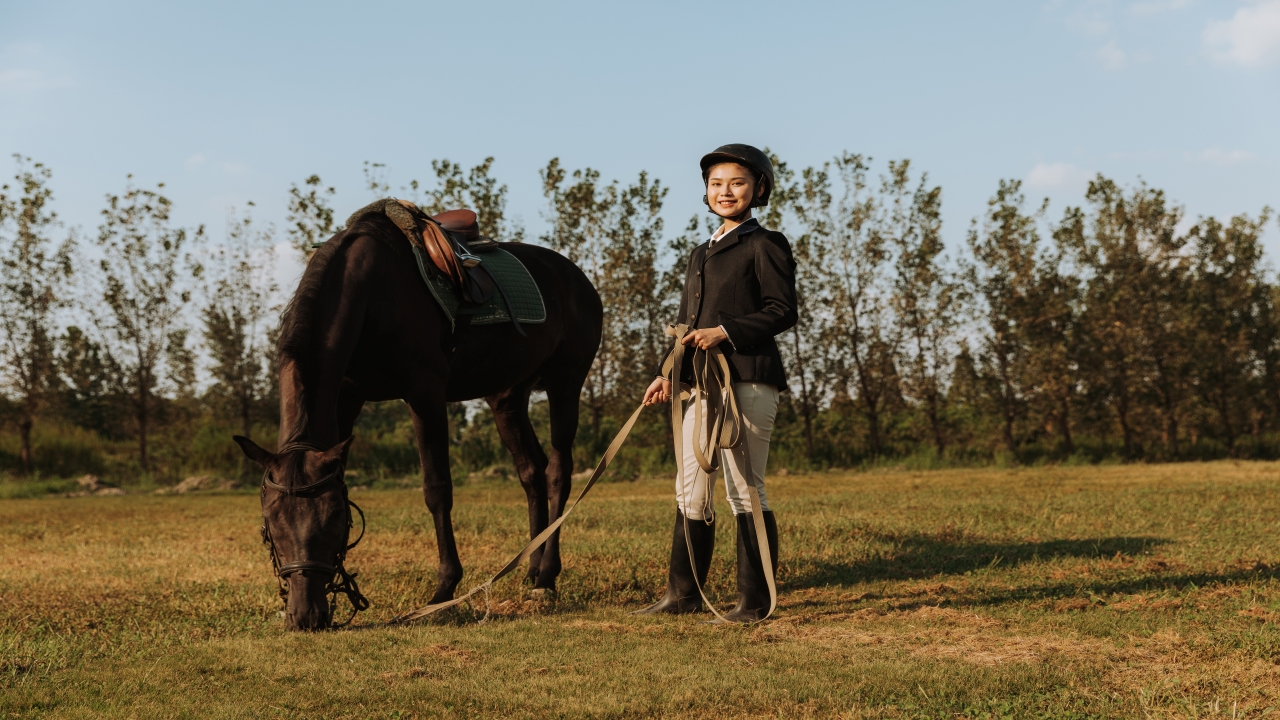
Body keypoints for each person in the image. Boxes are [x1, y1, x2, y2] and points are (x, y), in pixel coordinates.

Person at [636, 144, 797, 621]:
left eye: (737, 183)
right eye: (717, 184)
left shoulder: (766, 244)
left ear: (759, 189)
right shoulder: (700, 252)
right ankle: (681, 596)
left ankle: (755, 601)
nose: (725, 192)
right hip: (699, 384)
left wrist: (726, 331)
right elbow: (690, 322)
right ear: (706, 191)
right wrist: (666, 373)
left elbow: (781, 310)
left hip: (747, 379)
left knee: (744, 490)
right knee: (690, 488)